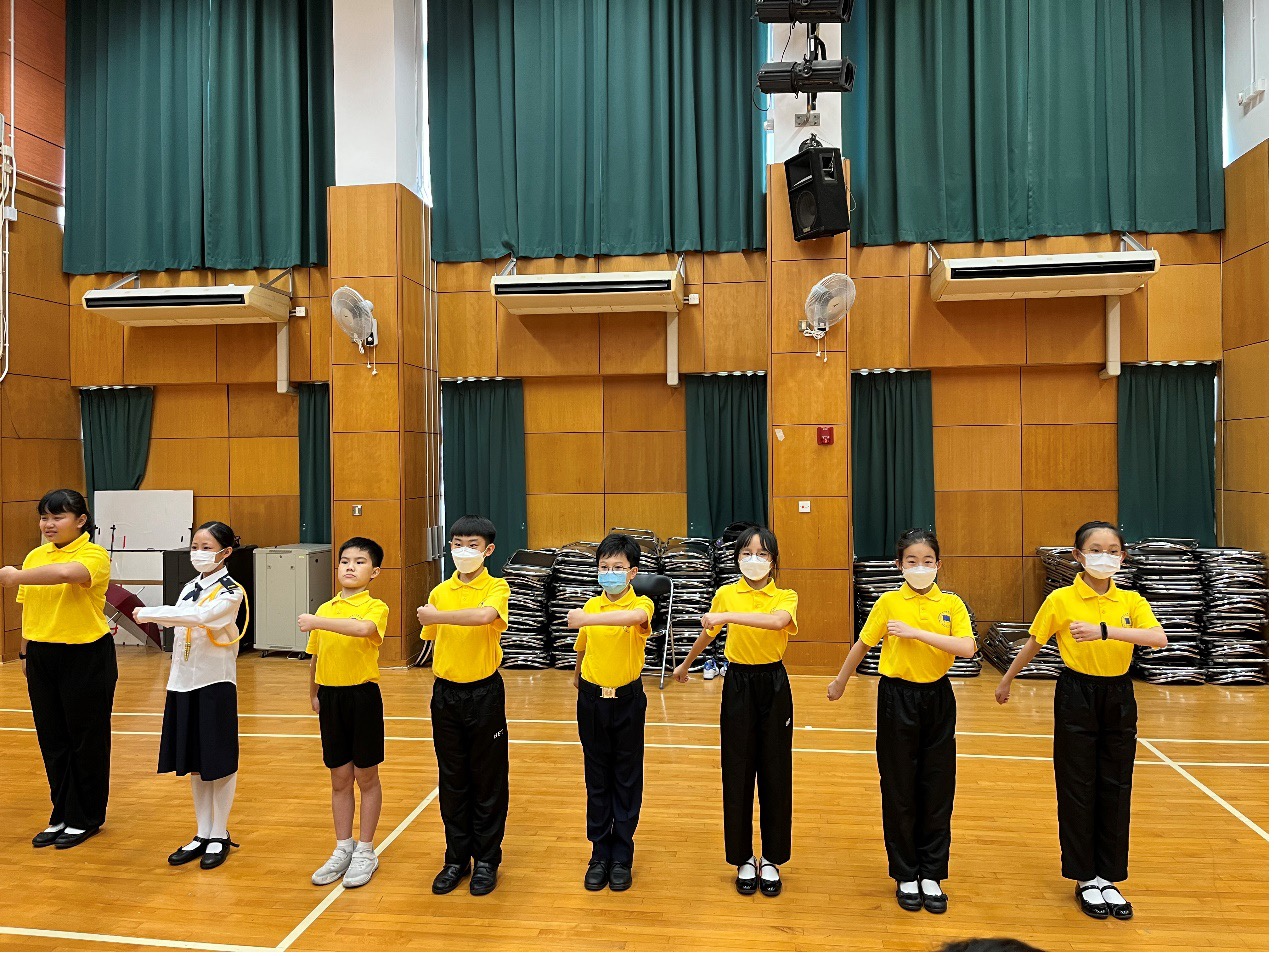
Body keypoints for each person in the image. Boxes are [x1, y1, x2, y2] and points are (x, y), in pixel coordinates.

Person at [995, 520, 1166, 921]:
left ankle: (1109, 876)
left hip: (1119, 695)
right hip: (1076, 694)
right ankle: (1085, 876)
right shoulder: (1061, 599)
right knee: (1077, 785)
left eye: (1112, 551)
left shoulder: (1131, 601)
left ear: (1123, 557)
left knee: (1116, 784)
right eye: (1095, 550)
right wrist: (1006, 679)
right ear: (1077, 555)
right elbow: (1034, 642)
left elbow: (1158, 639)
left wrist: (1105, 631)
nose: (1104, 557)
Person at [827, 529, 977, 914]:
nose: (920, 567)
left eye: (927, 561)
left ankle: (932, 873)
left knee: (937, 786)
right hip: (896, 698)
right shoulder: (888, 602)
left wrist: (916, 633)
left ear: (939, 564)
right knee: (898, 787)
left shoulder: (952, 603)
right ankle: (906, 873)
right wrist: (841, 680)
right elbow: (863, 643)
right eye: (912, 561)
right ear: (899, 565)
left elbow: (967, 647)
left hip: (938, 697)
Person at [673, 525, 797, 897]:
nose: (753, 560)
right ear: (736, 558)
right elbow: (709, 632)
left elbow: (777, 622)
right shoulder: (726, 593)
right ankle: (743, 856)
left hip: (773, 684)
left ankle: (772, 858)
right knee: (737, 769)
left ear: (773, 560)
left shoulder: (785, 596)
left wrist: (728, 617)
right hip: (738, 684)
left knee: (775, 771)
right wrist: (686, 664)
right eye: (746, 553)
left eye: (761, 554)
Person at [1, 489, 114, 850]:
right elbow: (29, 608)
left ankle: (86, 818)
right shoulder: (35, 556)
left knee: (87, 739)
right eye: (44, 517)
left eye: (57, 517)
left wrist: (16, 575)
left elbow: (67, 573)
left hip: (85, 654)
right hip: (41, 654)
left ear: (81, 520)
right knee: (53, 739)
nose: (48, 524)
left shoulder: (94, 554)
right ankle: (62, 813)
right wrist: (24, 654)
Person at [134, 521, 246, 870]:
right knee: (196, 761)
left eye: (206, 547)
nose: (198, 553)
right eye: (194, 546)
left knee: (218, 759)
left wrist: (149, 612)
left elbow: (200, 617)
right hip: (182, 681)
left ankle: (220, 833)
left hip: (214, 682)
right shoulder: (189, 586)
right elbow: (184, 616)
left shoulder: (231, 591)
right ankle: (202, 832)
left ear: (226, 552)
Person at [417, 515, 512, 897]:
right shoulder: (441, 591)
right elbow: (432, 635)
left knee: (488, 779)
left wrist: (437, 615)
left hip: (484, 694)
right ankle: (456, 858)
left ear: (488, 550)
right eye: (457, 544)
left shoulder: (497, 586)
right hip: (446, 694)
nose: (463, 551)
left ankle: (487, 859)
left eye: (472, 545)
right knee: (452, 778)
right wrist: (436, 614)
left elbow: (485, 616)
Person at [301, 537, 390, 890]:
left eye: (360, 561)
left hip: (362, 697)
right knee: (339, 778)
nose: (351, 567)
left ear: (374, 572)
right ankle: (343, 847)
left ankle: (366, 850)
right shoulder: (325, 609)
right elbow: (316, 657)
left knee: (366, 777)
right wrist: (314, 694)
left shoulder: (375, 607)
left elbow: (364, 630)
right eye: (345, 561)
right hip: (331, 699)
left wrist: (318, 622)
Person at [567, 532, 654, 893]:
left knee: (627, 777)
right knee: (597, 777)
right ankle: (599, 852)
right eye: (604, 567)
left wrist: (586, 618)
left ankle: (622, 854)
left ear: (633, 572)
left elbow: (635, 618)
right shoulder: (590, 605)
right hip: (592, 700)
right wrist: (577, 677)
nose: (610, 573)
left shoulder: (642, 604)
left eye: (618, 567)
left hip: (627, 701)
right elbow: (583, 647)